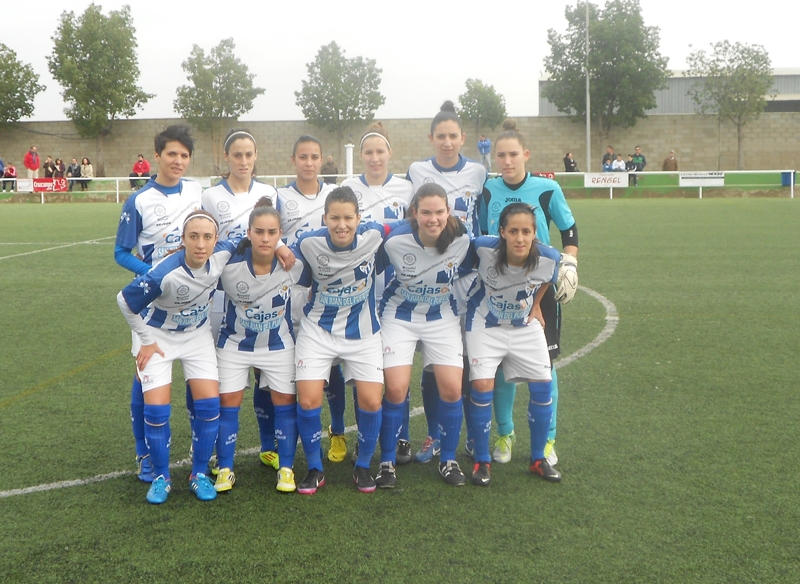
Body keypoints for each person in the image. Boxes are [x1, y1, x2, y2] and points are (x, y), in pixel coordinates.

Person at [479, 119, 579, 468]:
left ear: (526, 154)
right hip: (499, 291)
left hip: (540, 292)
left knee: (545, 367)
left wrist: (570, 265)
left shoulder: (546, 188)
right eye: (501, 155)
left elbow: (569, 231)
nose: (507, 161)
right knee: (502, 366)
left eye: (513, 154)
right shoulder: (489, 191)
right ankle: (505, 434)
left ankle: (548, 440)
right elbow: (482, 238)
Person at [117, 210, 234, 504]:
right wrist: (145, 341)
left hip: (197, 337)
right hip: (160, 339)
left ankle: (198, 474)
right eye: (193, 237)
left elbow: (244, 238)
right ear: (183, 240)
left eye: (207, 237)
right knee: (156, 411)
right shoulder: (164, 273)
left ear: (215, 240)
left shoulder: (221, 255)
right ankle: (161, 477)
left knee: (209, 405)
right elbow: (124, 300)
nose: (200, 244)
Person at [114, 125, 203, 484]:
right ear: (157, 155)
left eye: (184, 155)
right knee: (145, 374)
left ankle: (201, 449)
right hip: (154, 305)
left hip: (194, 300)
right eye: (172, 154)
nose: (178, 161)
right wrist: (153, 272)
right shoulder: (139, 199)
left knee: (196, 377)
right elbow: (121, 252)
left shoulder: (197, 191)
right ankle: (145, 453)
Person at [290, 186, 389, 494]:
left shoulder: (375, 234)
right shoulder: (308, 243)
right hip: (318, 331)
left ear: (359, 218)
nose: (342, 224)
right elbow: (283, 258)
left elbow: (411, 225)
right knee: (308, 400)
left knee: (372, 400)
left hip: (363, 332)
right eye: (335, 218)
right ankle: (315, 469)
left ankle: (362, 467)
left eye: (348, 218)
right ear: (325, 218)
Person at [404, 101, 487, 464]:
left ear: (463, 138)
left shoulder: (478, 172)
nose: (447, 142)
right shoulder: (417, 170)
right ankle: (433, 436)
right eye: (441, 136)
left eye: (453, 136)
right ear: (431, 138)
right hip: (430, 273)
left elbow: (481, 222)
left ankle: (467, 436)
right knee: (433, 362)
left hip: (466, 274)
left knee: (465, 358)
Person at [376, 183, 473, 488]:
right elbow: (366, 265)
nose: (434, 219)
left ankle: (448, 460)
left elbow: (489, 255)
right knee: (395, 389)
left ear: (449, 212)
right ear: (414, 213)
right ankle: (387, 462)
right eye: (426, 212)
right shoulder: (394, 239)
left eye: (440, 212)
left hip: (440, 315)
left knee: (452, 389)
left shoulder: (462, 238)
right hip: (399, 315)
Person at [202, 128, 283, 474]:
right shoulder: (209, 196)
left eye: (249, 155)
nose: (244, 161)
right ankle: (213, 450)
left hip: (260, 288)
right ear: (227, 157)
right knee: (221, 375)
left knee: (266, 369)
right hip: (221, 290)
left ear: (256, 156)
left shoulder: (268, 192)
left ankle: (268, 446)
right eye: (237, 155)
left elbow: (275, 235)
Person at [465, 203, 562, 486]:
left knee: (544, 384)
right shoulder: (482, 248)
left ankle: (537, 459)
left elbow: (548, 279)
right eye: (514, 231)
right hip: (485, 324)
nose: (520, 238)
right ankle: (482, 460)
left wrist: (536, 305)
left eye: (526, 231)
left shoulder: (548, 257)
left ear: (535, 233)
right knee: (482, 385)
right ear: (502, 232)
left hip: (523, 326)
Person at [214, 197, 303, 493]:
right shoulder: (228, 264)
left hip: (278, 345)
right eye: (260, 232)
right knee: (227, 403)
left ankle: (287, 468)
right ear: (249, 233)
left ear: (281, 235)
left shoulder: (293, 262)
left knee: (285, 404)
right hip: (234, 344)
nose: (266, 238)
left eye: (272, 233)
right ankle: (225, 468)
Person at [277, 136, 349, 465]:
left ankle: (336, 430)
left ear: (322, 160)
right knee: (294, 366)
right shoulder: (280, 197)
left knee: (330, 363)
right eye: (302, 156)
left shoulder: (333, 197)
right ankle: (295, 437)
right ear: (293, 159)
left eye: (314, 157)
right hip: (289, 290)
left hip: (326, 292)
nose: (308, 162)